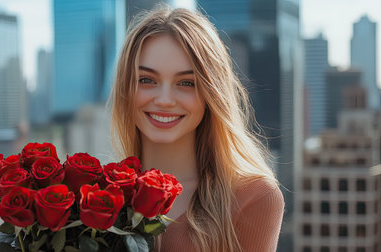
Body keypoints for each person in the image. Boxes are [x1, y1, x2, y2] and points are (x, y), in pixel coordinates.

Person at [110, 6, 285, 252]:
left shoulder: (253, 198)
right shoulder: (99, 199)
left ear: (211, 92)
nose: (164, 99)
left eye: (186, 83)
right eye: (147, 80)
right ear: (125, 89)